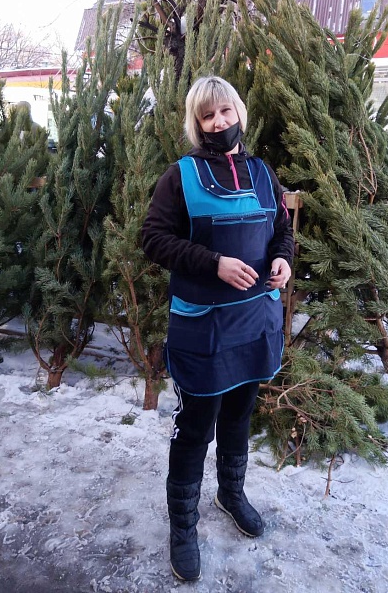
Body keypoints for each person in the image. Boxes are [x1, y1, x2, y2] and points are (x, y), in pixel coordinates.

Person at [142, 75, 294, 582]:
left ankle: (231, 493)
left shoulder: (260, 169)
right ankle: (182, 525)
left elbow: (281, 230)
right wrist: (213, 263)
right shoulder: (179, 175)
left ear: (238, 113)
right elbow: (153, 238)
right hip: (203, 328)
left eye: (225, 112)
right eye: (207, 116)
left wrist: (282, 259)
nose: (218, 123)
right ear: (197, 123)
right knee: (195, 428)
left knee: (238, 415)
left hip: (255, 322)